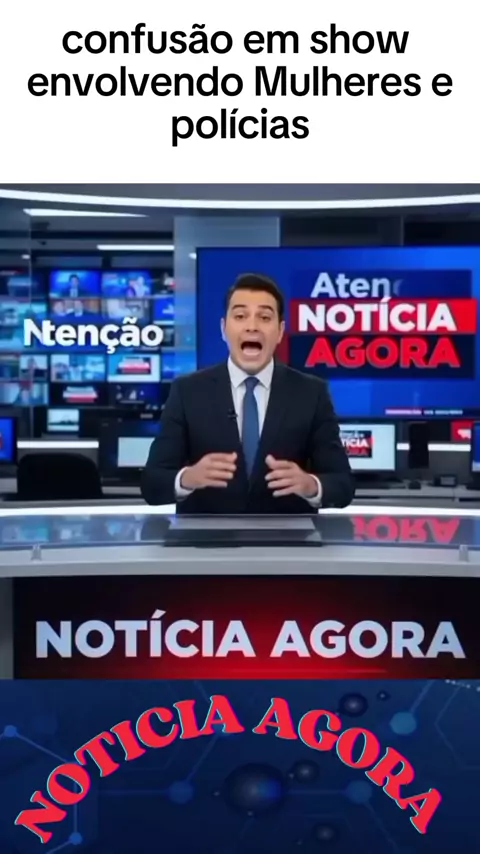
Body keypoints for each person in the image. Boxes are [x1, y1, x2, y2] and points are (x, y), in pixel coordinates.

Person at [142, 273, 354, 514]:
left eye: (264, 317)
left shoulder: (311, 393)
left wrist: (311, 485)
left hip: (288, 537)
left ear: (280, 331)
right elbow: (151, 484)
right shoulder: (187, 391)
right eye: (240, 316)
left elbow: (343, 485)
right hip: (205, 536)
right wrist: (187, 478)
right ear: (224, 329)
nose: (252, 326)